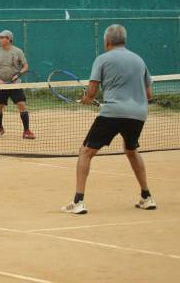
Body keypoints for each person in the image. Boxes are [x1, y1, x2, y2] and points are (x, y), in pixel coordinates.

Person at [62, 24, 156, 214]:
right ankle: (146, 197)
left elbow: (92, 91)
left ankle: (78, 202)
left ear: (106, 41)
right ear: (124, 40)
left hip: (112, 112)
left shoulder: (102, 59)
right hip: (138, 114)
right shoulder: (139, 60)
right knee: (131, 150)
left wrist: (87, 99)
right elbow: (148, 95)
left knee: (85, 152)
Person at [0, 30, 35, 140]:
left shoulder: (18, 51)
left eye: (1, 37)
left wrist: (18, 74)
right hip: (1, 85)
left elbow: (25, 66)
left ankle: (27, 131)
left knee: (21, 105)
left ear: (8, 39)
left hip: (15, 85)